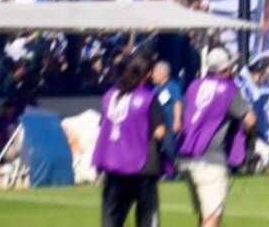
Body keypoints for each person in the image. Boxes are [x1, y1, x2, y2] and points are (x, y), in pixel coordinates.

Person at [178, 48, 255, 227]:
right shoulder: (228, 88)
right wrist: (245, 137)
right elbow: (250, 120)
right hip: (210, 157)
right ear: (227, 68)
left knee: (205, 214)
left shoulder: (194, 85)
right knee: (212, 215)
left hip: (186, 155)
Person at [92, 55, 168, 227]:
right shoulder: (148, 97)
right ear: (147, 74)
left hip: (112, 163)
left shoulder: (110, 96)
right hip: (142, 165)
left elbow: (103, 124)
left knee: (111, 218)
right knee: (147, 217)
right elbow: (160, 131)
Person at [152, 60, 184, 177]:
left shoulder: (172, 87)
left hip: (169, 124)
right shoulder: (155, 89)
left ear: (163, 73)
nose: (152, 75)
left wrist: (177, 121)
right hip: (159, 125)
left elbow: (177, 103)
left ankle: (179, 170)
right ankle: (167, 172)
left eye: (155, 72)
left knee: (171, 149)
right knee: (161, 150)